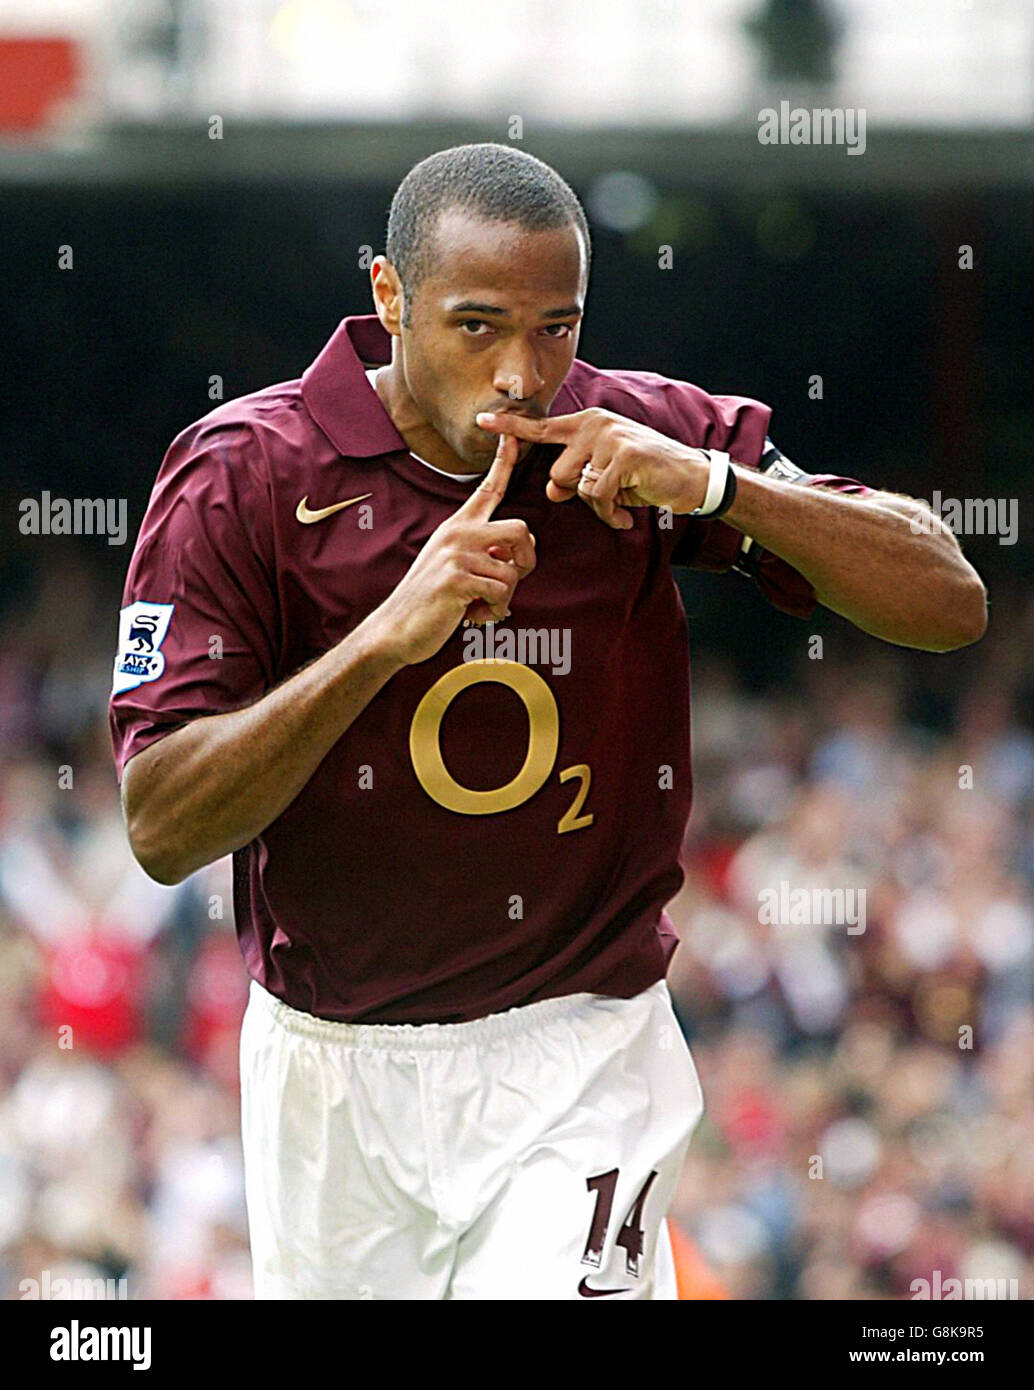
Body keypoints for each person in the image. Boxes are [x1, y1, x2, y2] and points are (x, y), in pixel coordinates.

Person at [110, 143, 987, 1299]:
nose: (523, 373)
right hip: (328, 1069)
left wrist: (715, 487)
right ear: (389, 298)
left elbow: (946, 599)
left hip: (582, 1049)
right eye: (476, 326)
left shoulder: (637, 436)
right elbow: (162, 822)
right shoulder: (243, 476)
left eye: (556, 327)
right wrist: (382, 636)